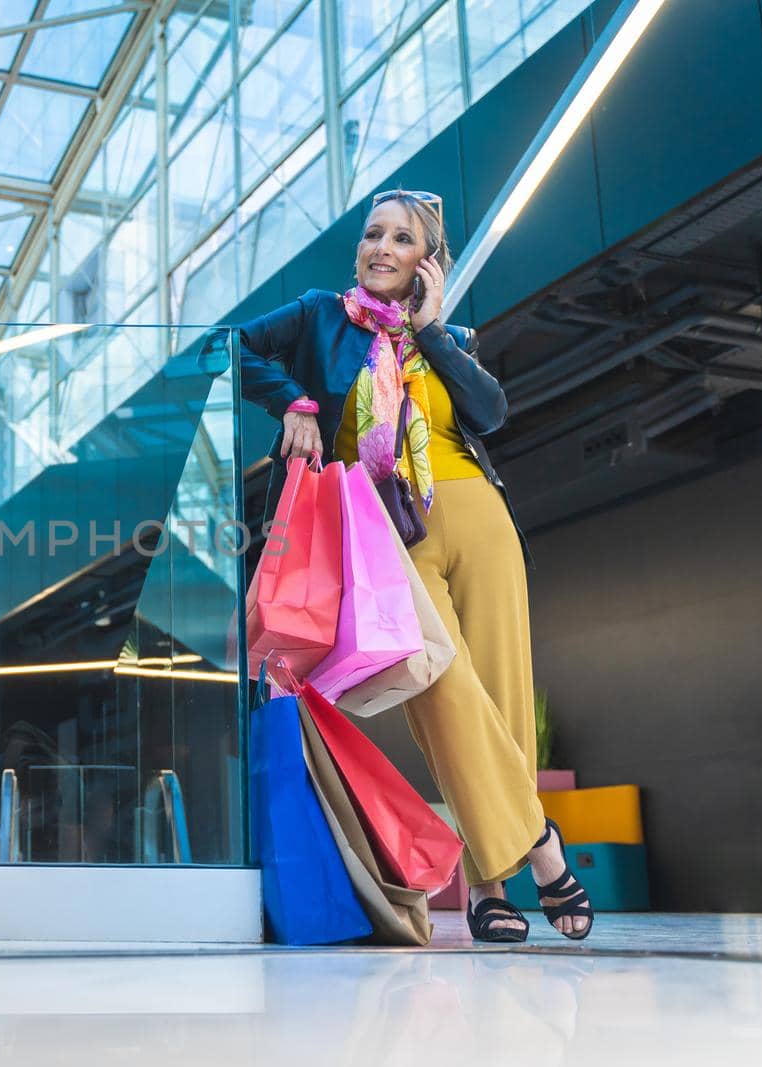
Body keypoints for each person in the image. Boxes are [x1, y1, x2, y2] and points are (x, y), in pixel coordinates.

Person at [235, 189, 593, 942]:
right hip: (386, 534)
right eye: (373, 234)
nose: (381, 248)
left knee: (500, 698)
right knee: (444, 688)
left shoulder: (446, 333)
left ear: (425, 261)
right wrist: (295, 402)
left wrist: (431, 330)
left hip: (478, 518)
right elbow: (234, 347)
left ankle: (491, 889)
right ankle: (543, 847)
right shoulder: (316, 315)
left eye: (402, 238)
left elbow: (491, 413)